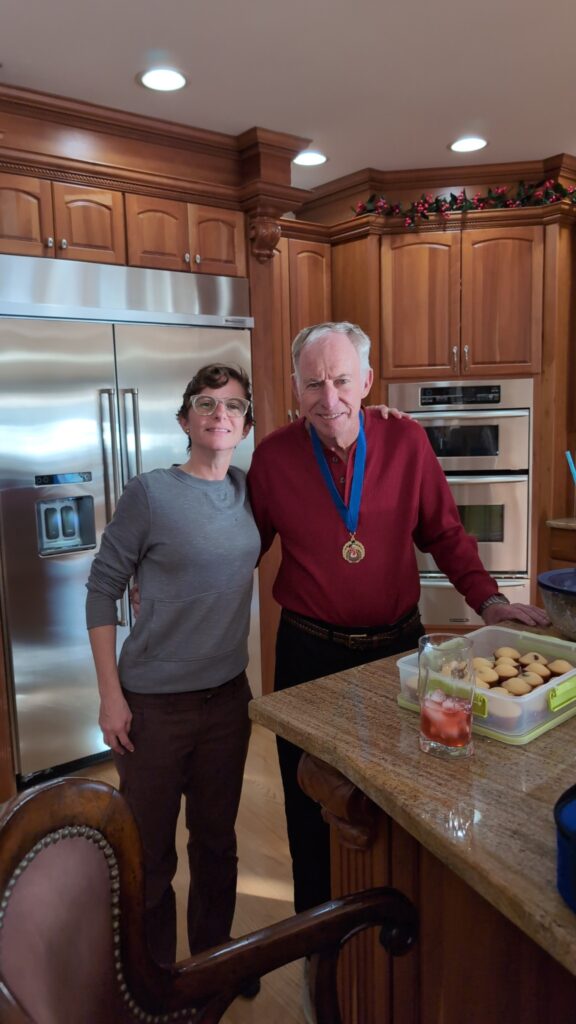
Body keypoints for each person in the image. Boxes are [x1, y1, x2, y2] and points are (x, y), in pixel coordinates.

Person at [246, 320, 549, 915]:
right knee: (310, 800)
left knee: (408, 792)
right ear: (294, 387)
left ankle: (400, 921)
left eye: (340, 380)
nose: (327, 398)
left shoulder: (407, 442)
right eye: (313, 384)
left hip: (399, 654)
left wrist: (490, 601)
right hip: (308, 654)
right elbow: (239, 551)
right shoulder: (272, 459)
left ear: (366, 381)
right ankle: (317, 936)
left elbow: (446, 533)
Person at [85, 364, 262, 974]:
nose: (221, 414)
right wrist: (111, 697)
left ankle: (211, 969)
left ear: (245, 423)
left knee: (217, 845)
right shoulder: (151, 493)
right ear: (186, 419)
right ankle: (152, 980)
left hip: (227, 705)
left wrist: (385, 417)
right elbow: (102, 589)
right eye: (207, 404)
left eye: (234, 406)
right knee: (149, 855)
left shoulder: (248, 492)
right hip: (153, 708)